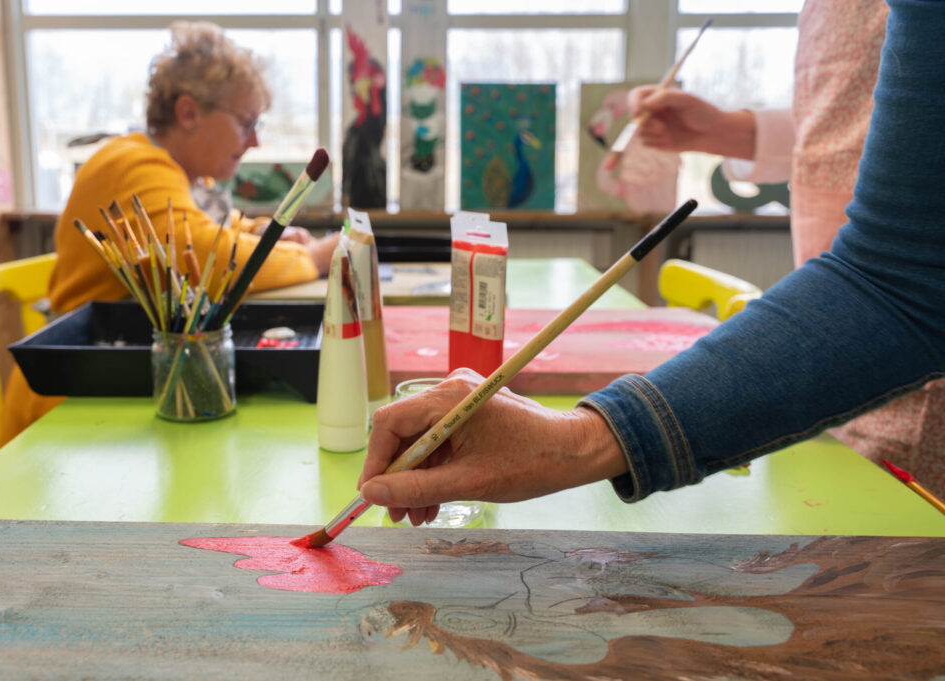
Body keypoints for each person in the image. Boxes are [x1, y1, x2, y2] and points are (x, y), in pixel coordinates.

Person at [358, 0, 945, 525]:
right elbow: (862, 126)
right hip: (833, 369)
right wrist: (731, 131)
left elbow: (899, 278)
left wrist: (585, 439)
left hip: (907, 396)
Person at [625, 1, 944, 498]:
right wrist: (724, 131)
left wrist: (606, 434)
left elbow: (900, 276)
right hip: (828, 335)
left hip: (905, 341)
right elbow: (855, 115)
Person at [0, 21, 338, 447]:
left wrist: (259, 231)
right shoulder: (132, 165)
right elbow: (212, 261)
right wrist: (316, 258)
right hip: (68, 415)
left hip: (131, 388)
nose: (254, 141)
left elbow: (214, 229)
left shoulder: (188, 178)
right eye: (246, 122)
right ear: (189, 112)